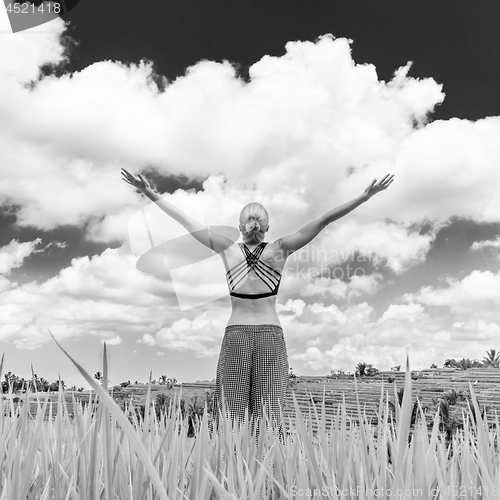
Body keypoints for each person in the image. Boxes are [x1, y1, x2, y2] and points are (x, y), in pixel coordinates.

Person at [121, 168, 395, 441]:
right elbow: (324, 220)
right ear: (266, 227)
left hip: (236, 334)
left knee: (231, 414)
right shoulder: (280, 249)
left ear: (241, 227)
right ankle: (267, 476)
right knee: (268, 415)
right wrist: (365, 197)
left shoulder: (227, 249)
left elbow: (185, 221)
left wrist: (149, 192)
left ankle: (229, 474)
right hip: (270, 336)